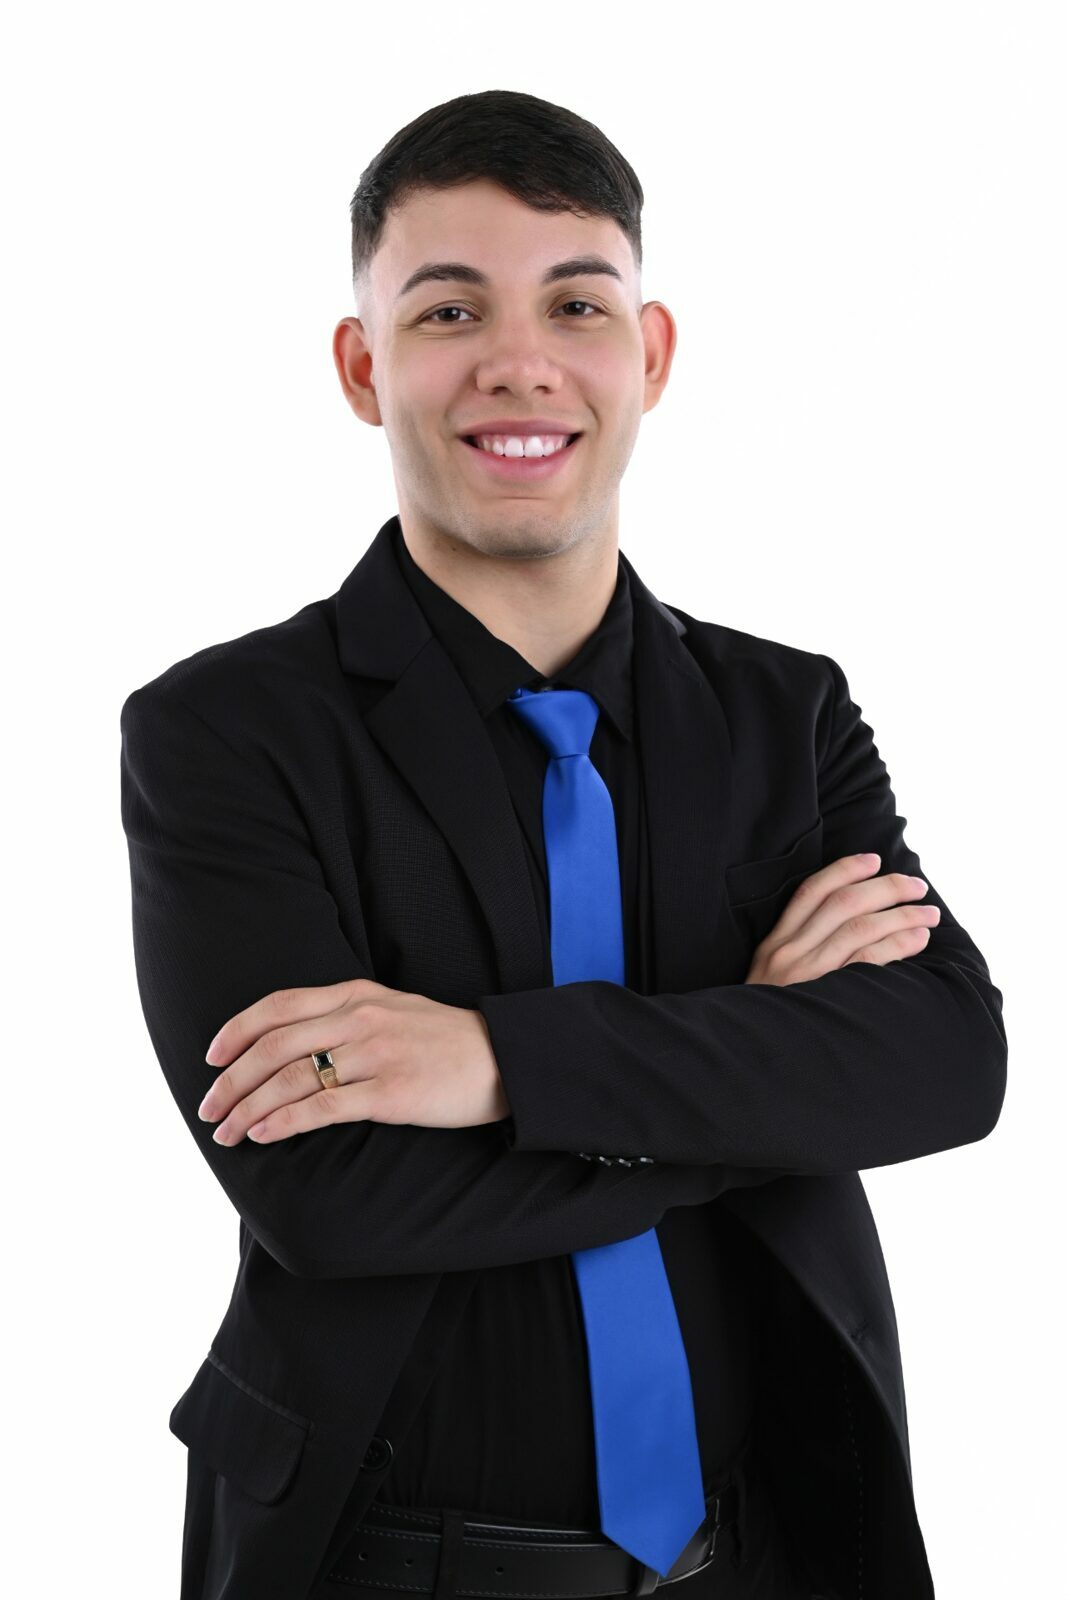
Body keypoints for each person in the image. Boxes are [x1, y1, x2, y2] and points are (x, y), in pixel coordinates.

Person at [119, 89, 1006, 1600]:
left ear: (649, 355)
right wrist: (763, 1064)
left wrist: (495, 1064)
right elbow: (331, 1198)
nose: (519, 362)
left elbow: (942, 1063)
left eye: (576, 304)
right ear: (364, 366)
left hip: (770, 1554)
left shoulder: (785, 713)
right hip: (382, 1564)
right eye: (449, 309)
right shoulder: (227, 731)